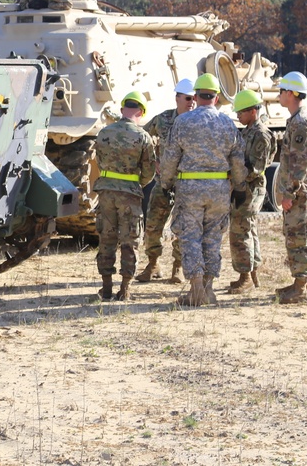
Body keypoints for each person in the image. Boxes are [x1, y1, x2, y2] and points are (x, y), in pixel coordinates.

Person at [159, 73, 248, 307]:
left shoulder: (183, 122)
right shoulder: (228, 124)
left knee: (190, 237)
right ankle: (208, 290)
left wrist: (165, 183)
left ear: (196, 97)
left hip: (190, 188)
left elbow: (170, 157)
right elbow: (238, 160)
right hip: (219, 189)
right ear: (217, 98)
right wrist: (239, 187)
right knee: (212, 238)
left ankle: (196, 289)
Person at [93, 91, 156, 301]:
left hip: (106, 193)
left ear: (122, 110)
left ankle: (107, 287)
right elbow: (149, 171)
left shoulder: (104, 133)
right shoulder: (143, 137)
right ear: (141, 112)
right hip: (130, 194)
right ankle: (125, 289)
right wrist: (136, 183)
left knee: (106, 239)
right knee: (130, 240)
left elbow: (99, 161)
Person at [136, 78, 197, 284]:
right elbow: (142, 138)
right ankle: (152, 265)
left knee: (183, 227)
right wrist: (152, 162)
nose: (192, 102)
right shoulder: (163, 120)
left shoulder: (198, 122)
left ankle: (177, 268)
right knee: (153, 224)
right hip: (163, 183)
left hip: (186, 183)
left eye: (194, 98)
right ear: (177, 98)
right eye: (188, 98)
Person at [274, 71, 307, 304]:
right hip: (300, 190)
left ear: (292, 94)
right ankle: (300, 284)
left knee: (299, 238)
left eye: (282, 90)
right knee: (296, 237)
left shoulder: (301, 123)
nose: (279, 94)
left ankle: (301, 289)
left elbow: (299, 164)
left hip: (300, 191)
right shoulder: (298, 119)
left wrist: (289, 193)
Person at [227, 89, 276, 294]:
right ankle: (252, 274)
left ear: (253, 112)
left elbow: (256, 167)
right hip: (243, 187)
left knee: (241, 230)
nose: (238, 115)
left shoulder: (261, 135)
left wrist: (236, 179)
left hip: (250, 187)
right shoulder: (248, 131)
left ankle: (245, 277)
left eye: (241, 112)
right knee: (249, 229)